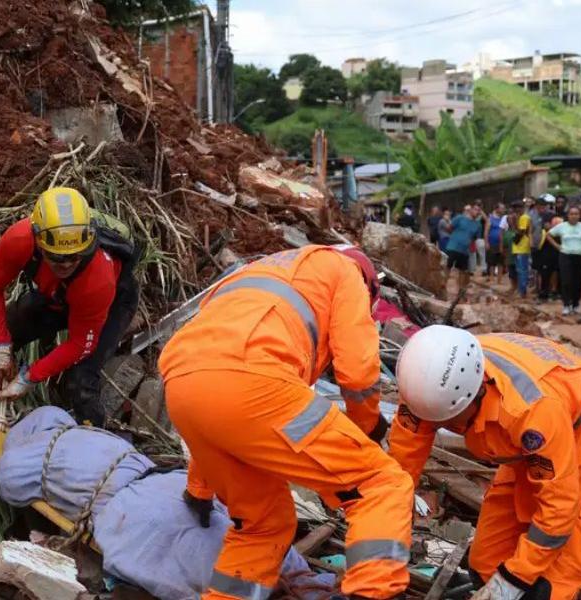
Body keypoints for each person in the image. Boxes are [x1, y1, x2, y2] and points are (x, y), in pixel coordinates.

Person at [160, 245, 413, 600]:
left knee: (263, 526)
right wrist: (369, 428)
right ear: (371, 286)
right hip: (257, 383)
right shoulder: (347, 271)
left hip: (181, 382)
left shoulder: (261, 271)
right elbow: (357, 373)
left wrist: (199, 491)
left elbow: (216, 399)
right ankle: (375, 592)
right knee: (380, 484)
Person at [390, 327, 581, 600]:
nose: (438, 427)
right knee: (486, 562)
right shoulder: (424, 388)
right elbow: (400, 472)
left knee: (550, 585)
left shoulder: (530, 411)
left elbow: (558, 509)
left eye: (449, 422)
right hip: (532, 455)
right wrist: (388, 553)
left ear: (475, 395)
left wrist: (512, 581)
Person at [0, 187, 140, 427]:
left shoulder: (97, 279)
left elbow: (80, 344)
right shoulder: (19, 240)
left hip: (108, 302)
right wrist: (1, 345)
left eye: (75, 256)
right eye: (56, 257)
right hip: (55, 296)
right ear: (39, 243)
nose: (66, 265)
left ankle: (90, 441)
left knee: (81, 383)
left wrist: (28, 377)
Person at [546, 206, 581, 316]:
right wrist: (558, 246)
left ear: (579, 216)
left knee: (578, 281)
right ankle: (566, 304)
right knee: (566, 281)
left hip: (580, 255)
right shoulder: (562, 226)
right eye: (572, 214)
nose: (574, 216)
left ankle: (575, 304)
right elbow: (548, 235)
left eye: (576, 214)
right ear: (568, 215)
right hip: (565, 255)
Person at [445, 204, 482, 292]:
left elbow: (475, 237)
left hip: (465, 251)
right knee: (447, 267)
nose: (477, 212)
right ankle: (442, 287)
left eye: (479, 211)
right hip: (452, 247)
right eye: (475, 210)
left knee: (462, 271)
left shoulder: (477, 225)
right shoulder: (460, 218)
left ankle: (460, 291)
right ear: (471, 210)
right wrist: (455, 237)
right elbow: (449, 228)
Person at [532, 195, 558, 302]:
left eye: (543, 206)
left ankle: (547, 293)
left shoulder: (551, 215)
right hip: (537, 246)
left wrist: (549, 227)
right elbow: (531, 230)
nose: (541, 208)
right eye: (539, 206)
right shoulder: (532, 216)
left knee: (548, 270)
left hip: (549, 246)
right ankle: (540, 291)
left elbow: (553, 228)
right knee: (539, 270)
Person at [511, 199, 533, 298]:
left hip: (522, 247)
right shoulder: (520, 217)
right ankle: (521, 290)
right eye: (515, 208)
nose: (516, 210)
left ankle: (522, 292)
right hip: (518, 247)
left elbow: (521, 232)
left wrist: (514, 223)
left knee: (522, 270)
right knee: (519, 270)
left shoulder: (524, 217)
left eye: (518, 208)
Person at [487, 203, 507, 283]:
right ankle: (491, 277)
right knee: (492, 261)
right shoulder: (491, 218)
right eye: (502, 208)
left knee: (501, 261)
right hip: (492, 242)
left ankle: (499, 279)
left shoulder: (504, 219)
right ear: (497, 209)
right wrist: (486, 242)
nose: (503, 210)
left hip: (501, 242)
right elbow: (486, 231)